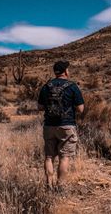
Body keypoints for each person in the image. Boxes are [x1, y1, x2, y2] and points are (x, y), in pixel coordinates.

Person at [38, 60, 84, 190]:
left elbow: (40, 107)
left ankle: (48, 186)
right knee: (64, 157)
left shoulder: (46, 86)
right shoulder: (72, 86)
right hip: (67, 126)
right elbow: (81, 109)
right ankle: (60, 187)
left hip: (49, 126)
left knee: (49, 157)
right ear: (65, 71)